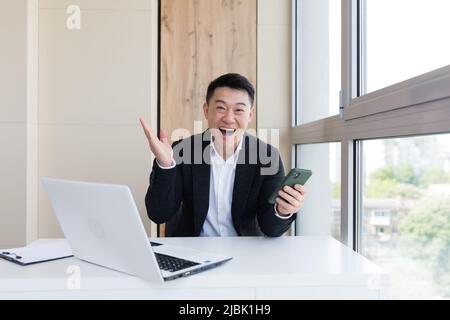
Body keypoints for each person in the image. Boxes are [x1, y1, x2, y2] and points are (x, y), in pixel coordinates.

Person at [139, 73, 306, 237]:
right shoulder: (183, 150)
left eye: (239, 110)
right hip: (194, 250)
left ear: (250, 114)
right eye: (221, 108)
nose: (229, 118)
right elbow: (159, 214)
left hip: (246, 252)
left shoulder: (267, 157)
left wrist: (282, 211)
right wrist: (165, 165)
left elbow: (271, 228)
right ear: (206, 110)